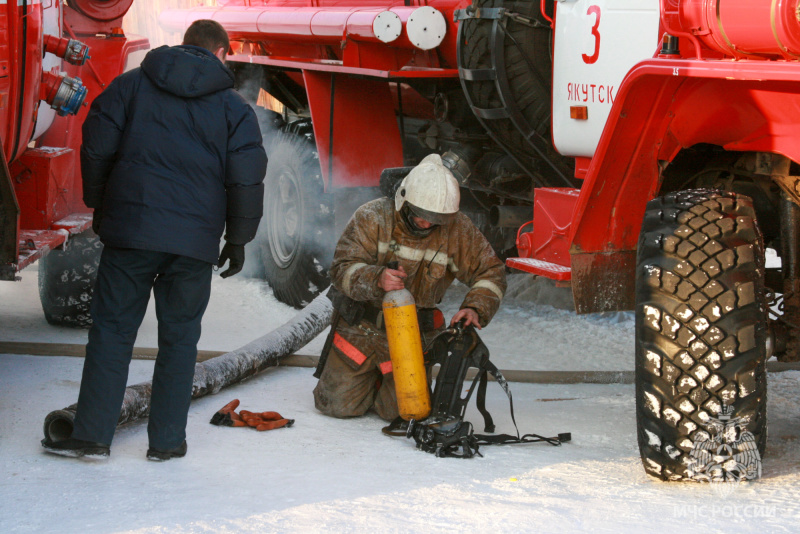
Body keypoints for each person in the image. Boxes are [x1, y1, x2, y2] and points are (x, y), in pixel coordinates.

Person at [41, 20, 267, 461]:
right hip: (194, 245)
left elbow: (97, 145)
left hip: (132, 232)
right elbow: (246, 181)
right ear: (221, 54)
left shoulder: (130, 87)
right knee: (180, 342)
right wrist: (239, 240)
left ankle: (91, 436)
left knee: (112, 333)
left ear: (184, 47)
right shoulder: (234, 110)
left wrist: (101, 205)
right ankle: (166, 443)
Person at [313, 154, 507, 422]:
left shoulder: (457, 229)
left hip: (411, 336)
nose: (427, 224)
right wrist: (376, 278)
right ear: (404, 201)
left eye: (435, 220)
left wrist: (475, 307)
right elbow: (341, 269)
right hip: (361, 330)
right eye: (421, 217)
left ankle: (381, 385)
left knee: (403, 414)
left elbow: (491, 272)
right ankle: (367, 382)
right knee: (335, 407)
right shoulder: (373, 217)